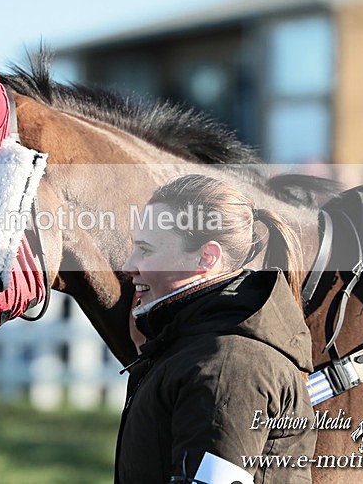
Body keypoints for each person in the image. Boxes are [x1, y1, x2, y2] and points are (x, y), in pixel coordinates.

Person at [117, 174, 316, 484]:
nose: (129, 265)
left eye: (146, 250)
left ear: (206, 257)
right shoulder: (196, 348)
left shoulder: (229, 365)